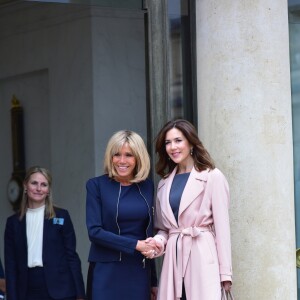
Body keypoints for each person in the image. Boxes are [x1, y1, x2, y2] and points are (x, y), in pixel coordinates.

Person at [145, 119, 233, 300]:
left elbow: (222, 228)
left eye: (178, 140)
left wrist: (225, 274)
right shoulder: (163, 183)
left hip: (202, 256)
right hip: (173, 261)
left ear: (191, 142)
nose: (172, 147)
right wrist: (158, 241)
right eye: (168, 143)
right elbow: (164, 228)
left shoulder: (212, 176)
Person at [86, 130, 158, 300]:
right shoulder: (96, 186)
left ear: (138, 158)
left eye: (129, 155)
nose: (122, 161)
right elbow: (94, 232)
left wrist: (153, 280)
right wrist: (135, 245)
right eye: (117, 155)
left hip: (138, 270)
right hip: (106, 270)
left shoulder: (147, 186)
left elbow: (148, 235)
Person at [4, 166, 85, 300]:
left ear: (48, 190)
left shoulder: (62, 216)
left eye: (44, 185)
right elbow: (10, 265)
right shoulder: (13, 223)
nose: (38, 188)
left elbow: (72, 257)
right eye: (34, 183)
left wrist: (80, 294)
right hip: (27, 290)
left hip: (61, 290)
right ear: (25, 186)